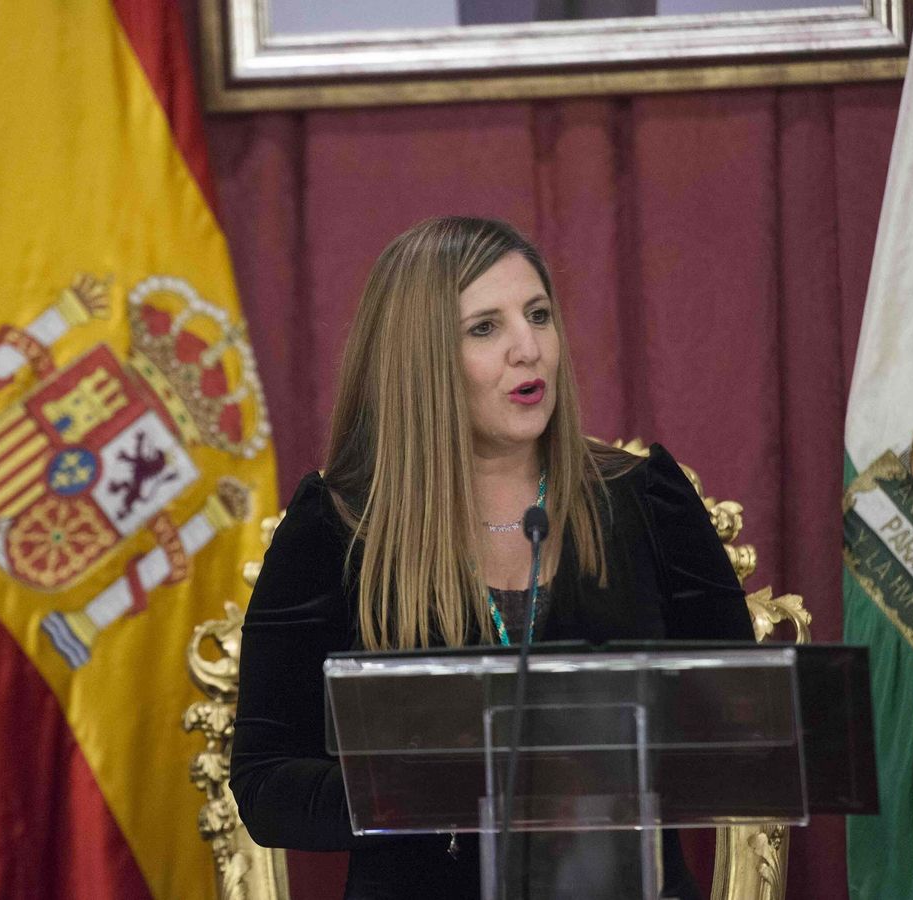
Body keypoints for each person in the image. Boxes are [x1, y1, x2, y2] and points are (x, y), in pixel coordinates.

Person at [229, 216, 753, 899]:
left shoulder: (644, 499)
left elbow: (745, 730)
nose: (528, 348)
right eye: (485, 328)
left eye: (538, 315)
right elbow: (266, 784)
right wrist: (437, 789)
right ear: (421, 359)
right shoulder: (338, 524)